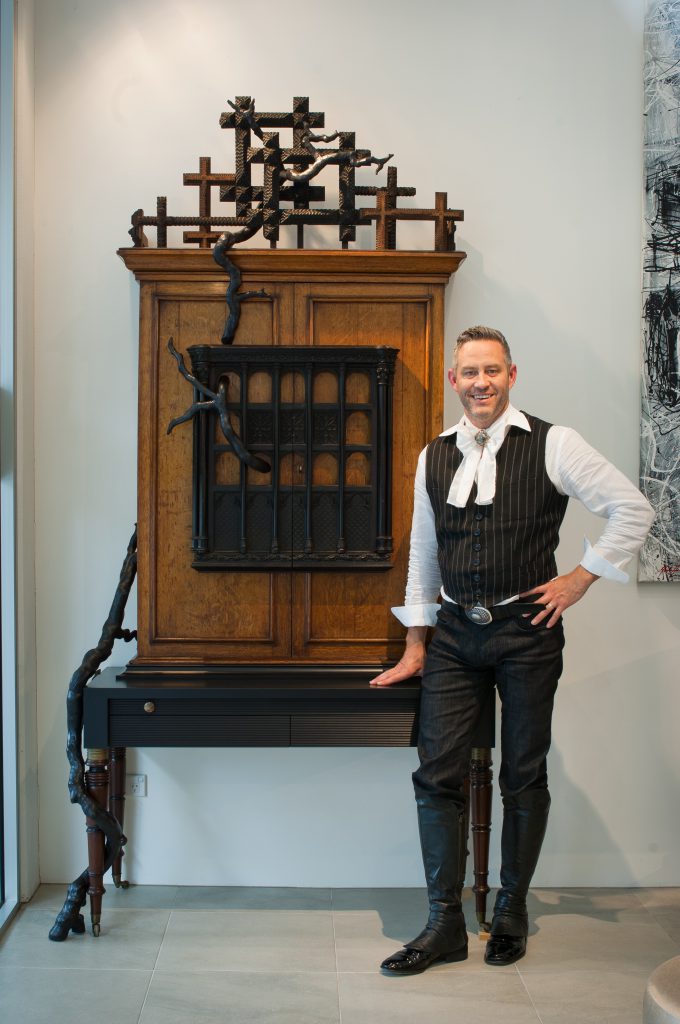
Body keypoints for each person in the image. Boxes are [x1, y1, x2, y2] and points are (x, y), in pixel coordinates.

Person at [371, 325, 655, 975]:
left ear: (512, 375)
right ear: (454, 381)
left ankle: (512, 911)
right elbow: (424, 552)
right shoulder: (434, 454)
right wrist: (417, 643)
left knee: (521, 774)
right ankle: (444, 923)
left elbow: (632, 509)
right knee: (436, 772)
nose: (481, 382)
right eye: (469, 372)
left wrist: (580, 577)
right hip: (453, 635)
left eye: (492, 371)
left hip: (527, 632)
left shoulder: (554, 443)